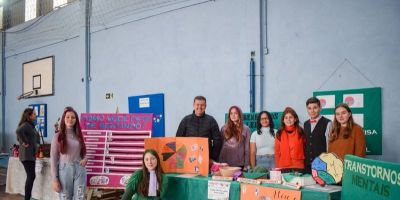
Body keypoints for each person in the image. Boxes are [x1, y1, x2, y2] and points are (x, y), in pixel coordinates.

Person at [51, 107, 87, 200]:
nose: (70, 119)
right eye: (67, 117)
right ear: (64, 118)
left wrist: (85, 158)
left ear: (76, 120)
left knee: (80, 197)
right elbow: (54, 159)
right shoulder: (58, 136)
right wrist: (55, 179)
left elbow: (83, 152)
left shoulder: (79, 136)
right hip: (65, 170)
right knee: (65, 197)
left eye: (73, 117)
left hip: (80, 170)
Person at [176, 96, 222, 163]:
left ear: (205, 106)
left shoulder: (211, 120)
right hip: (188, 158)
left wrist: (212, 157)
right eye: (197, 105)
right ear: (193, 105)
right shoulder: (186, 120)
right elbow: (178, 139)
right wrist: (182, 156)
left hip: (206, 158)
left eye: (202, 105)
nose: (199, 107)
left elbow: (217, 141)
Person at [16, 108, 40, 200]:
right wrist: (24, 141)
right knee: (31, 176)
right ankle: (27, 198)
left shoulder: (30, 125)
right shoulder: (26, 125)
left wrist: (36, 144)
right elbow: (18, 131)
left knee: (31, 176)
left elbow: (34, 137)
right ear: (29, 116)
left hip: (30, 155)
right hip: (27, 155)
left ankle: (27, 197)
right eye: (34, 114)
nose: (35, 115)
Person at [303, 97, 332, 174]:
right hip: (307, 164)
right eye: (309, 108)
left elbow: (329, 145)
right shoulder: (305, 124)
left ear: (320, 108)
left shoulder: (328, 123)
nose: (312, 111)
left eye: (315, 108)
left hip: (321, 164)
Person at [275, 107, 305, 173]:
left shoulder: (301, 131)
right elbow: (277, 152)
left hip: (298, 166)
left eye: (290, 117)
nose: (288, 119)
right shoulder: (279, 133)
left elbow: (305, 148)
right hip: (283, 166)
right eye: (286, 117)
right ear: (283, 120)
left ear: (295, 119)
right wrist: (278, 167)